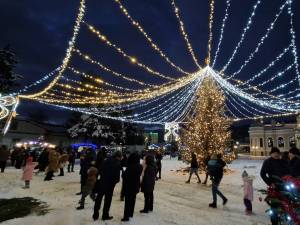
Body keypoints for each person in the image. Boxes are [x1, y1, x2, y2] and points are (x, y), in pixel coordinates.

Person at [260, 147, 289, 225]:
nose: (276, 154)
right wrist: (270, 183)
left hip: (284, 187)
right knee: (274, 207)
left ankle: (285, 220)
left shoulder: (282, 161)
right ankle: (274, 222)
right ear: (271, 154)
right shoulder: (267, 162)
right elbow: (262, 174)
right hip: (274, 188)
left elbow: (288, 171)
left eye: (277, 153)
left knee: (286, 204)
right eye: (274, 153)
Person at [93, 151, 122, 221]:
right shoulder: (117, 163)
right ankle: (105, 215)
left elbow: (99, 170)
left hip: (102, 182)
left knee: (98, 199)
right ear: (118, 156)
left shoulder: (106, 160)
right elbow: (117, 178)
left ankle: (95, 215)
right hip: (110, 185)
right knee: (107, 201)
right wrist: (114, 182)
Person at [121, 153, 143, 221]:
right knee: (133, 200)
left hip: (129, 186)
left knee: (128, 202)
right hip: (136, 185)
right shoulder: (140, 166)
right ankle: (130, 213)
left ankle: (126, 216)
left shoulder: (130, 166)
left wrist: (123, 172)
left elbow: (124, 176)